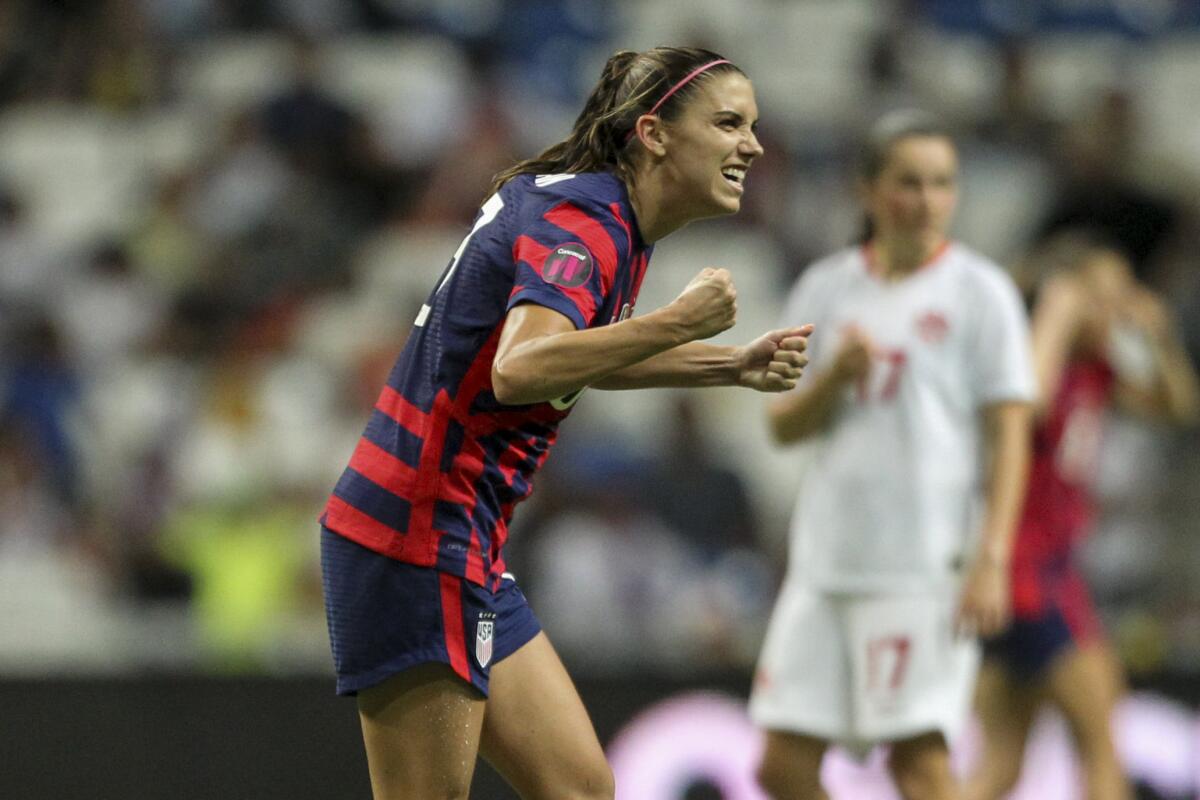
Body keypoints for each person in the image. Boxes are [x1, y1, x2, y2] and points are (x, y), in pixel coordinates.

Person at [318, 46, 813, 800]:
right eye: (728, 123)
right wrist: (679, 323)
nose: (753, 144)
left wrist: (727, 364)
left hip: (461, 539)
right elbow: (521, 368)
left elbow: (570, 359)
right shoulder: (586, 222)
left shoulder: (604, 218)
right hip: (418, 533)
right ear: (654, 133)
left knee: (581, 787)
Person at [749, 110, 1036, 800]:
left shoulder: (980, 292)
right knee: (779, 767)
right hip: (824, 564)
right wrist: (832, 379)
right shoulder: (826, 287)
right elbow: (782, 427)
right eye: (910, 182)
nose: (928, 199)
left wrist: (993, 555)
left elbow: (1011, 434)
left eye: (943, 183)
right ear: (868, 189)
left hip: (920, 568)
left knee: (919, 766)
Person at [966, 235, 1200, 800]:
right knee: (1101, 744)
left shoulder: (1096, 369)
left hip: (1052, 572)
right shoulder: (1025, 361)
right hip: (1025, 574)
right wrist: (1058, 313)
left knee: (1001, 765)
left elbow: (1177, 404)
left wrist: (1156, 332)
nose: (1117, 308)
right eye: (1105, 296)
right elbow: (1029, 406)